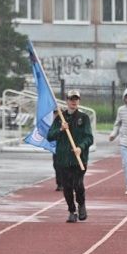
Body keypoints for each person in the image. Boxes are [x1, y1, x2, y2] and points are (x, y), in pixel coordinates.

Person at [47, 89, 93, 223]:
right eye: (71, 99)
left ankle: (81, 204)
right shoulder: (60, 118)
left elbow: (89, 138)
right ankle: (72, 211)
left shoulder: (83, 118)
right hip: (63, 159)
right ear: (67, 101)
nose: (74, 102)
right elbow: (49, 136)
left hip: (79, 159)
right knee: (67, 187)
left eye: (76, 99)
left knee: (77, 184)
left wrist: (80, 147)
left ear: (79, 101)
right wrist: (61, 129)